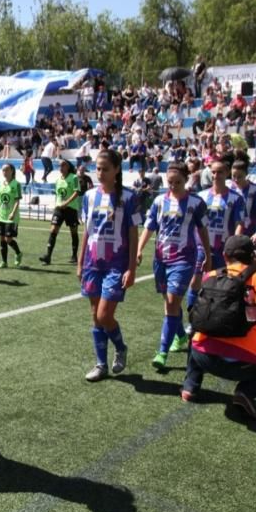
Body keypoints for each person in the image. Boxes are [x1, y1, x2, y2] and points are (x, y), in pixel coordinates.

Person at [181, 235, 256, 419]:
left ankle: (190, 387)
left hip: (204, 356)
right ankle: (244, 393)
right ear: (252, 256)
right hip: (244, 364)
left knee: (196, 335)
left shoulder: (211, 276)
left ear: (225, 256)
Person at [137, 162, 212, 371]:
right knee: (170, 303)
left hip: (184, 260)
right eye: (170, 182)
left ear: (186, 180)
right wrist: (139, 249)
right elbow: (150, 226)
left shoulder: (195, 203)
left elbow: (203, 229)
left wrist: (207, 253)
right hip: (160, 258)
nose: (173, 186)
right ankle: (180, 335)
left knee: (171, 303)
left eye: (177, 182)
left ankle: (162, 351)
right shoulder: (160, 201)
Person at [78, 150, 141, 382]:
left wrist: (131, 268)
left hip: (116, 264)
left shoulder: (129, 197)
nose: (100, 173)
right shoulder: (89, 196)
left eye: (105, 168)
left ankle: (120, 347)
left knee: (105, 315)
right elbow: (87, 231)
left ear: (116, 170)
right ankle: (101, 364)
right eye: (98, 168)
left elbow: (133, 234)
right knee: (95, 316)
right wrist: (80, 261)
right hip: (92, 263)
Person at [182, 159, 246, 348]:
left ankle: (220, 321)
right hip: (202, 246)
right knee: (195, 282)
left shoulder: (236, 198)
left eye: (220, 172)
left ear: (226, 174)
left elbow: (239, 222)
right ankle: (193, 321)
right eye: (213, 172)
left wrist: (234, 244)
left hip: (224, 249)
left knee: (223, 285)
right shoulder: (201, 196)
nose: (216, 175)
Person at [40, 159, 80, 265]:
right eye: (59, 165)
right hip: (59, 209)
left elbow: (77, 192)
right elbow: (58, 195)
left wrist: (66, 203)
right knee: (53, 230)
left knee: (74, 232)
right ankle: (48, 256)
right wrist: (56, 205)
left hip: (70, 208)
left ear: (68, 167)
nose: (61, 167)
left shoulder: (74, 178)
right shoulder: (58, 181)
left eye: (63, 165)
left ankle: (74, 256)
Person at [0, 163, 23, 268]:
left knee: (8, 239)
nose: (4, 172)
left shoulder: (16, 184)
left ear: (12, 171)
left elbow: (17, 201)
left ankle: (18, 253)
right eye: (3, 170)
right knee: (2, 238)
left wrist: (13, 213)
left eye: (6, 170)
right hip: (1, 215)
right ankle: (4, 262)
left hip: (12, 217)